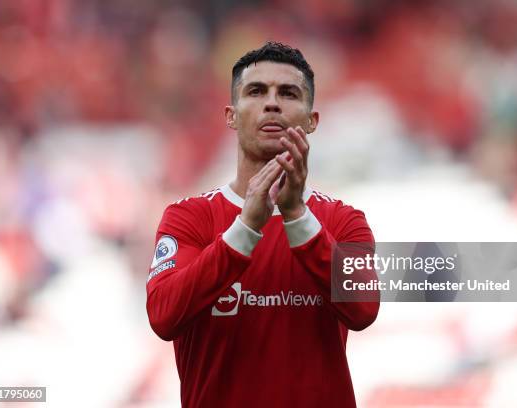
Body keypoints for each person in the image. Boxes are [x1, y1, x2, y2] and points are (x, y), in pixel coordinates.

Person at [146, 41, 379, 408]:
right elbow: (163, 316)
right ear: (231, 115)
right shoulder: (189, 217)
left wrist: (297, 216)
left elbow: (363, 309)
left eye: (288, 93)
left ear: (311, 120)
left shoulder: (343, 221)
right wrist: (246, 228)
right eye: (256, 91)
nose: (272, 103)